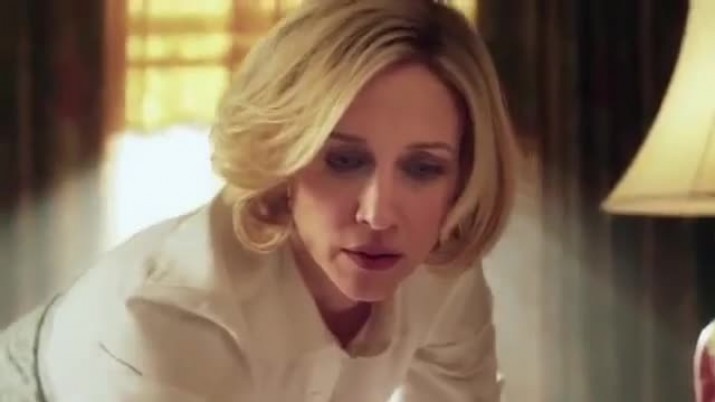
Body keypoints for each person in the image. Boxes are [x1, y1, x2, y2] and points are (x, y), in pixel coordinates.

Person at [3, 0, 517, 400]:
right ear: (283, 156)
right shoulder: (163, 320)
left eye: (424, 168)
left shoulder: (439, 272)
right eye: (343, 161)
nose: (379, 214)